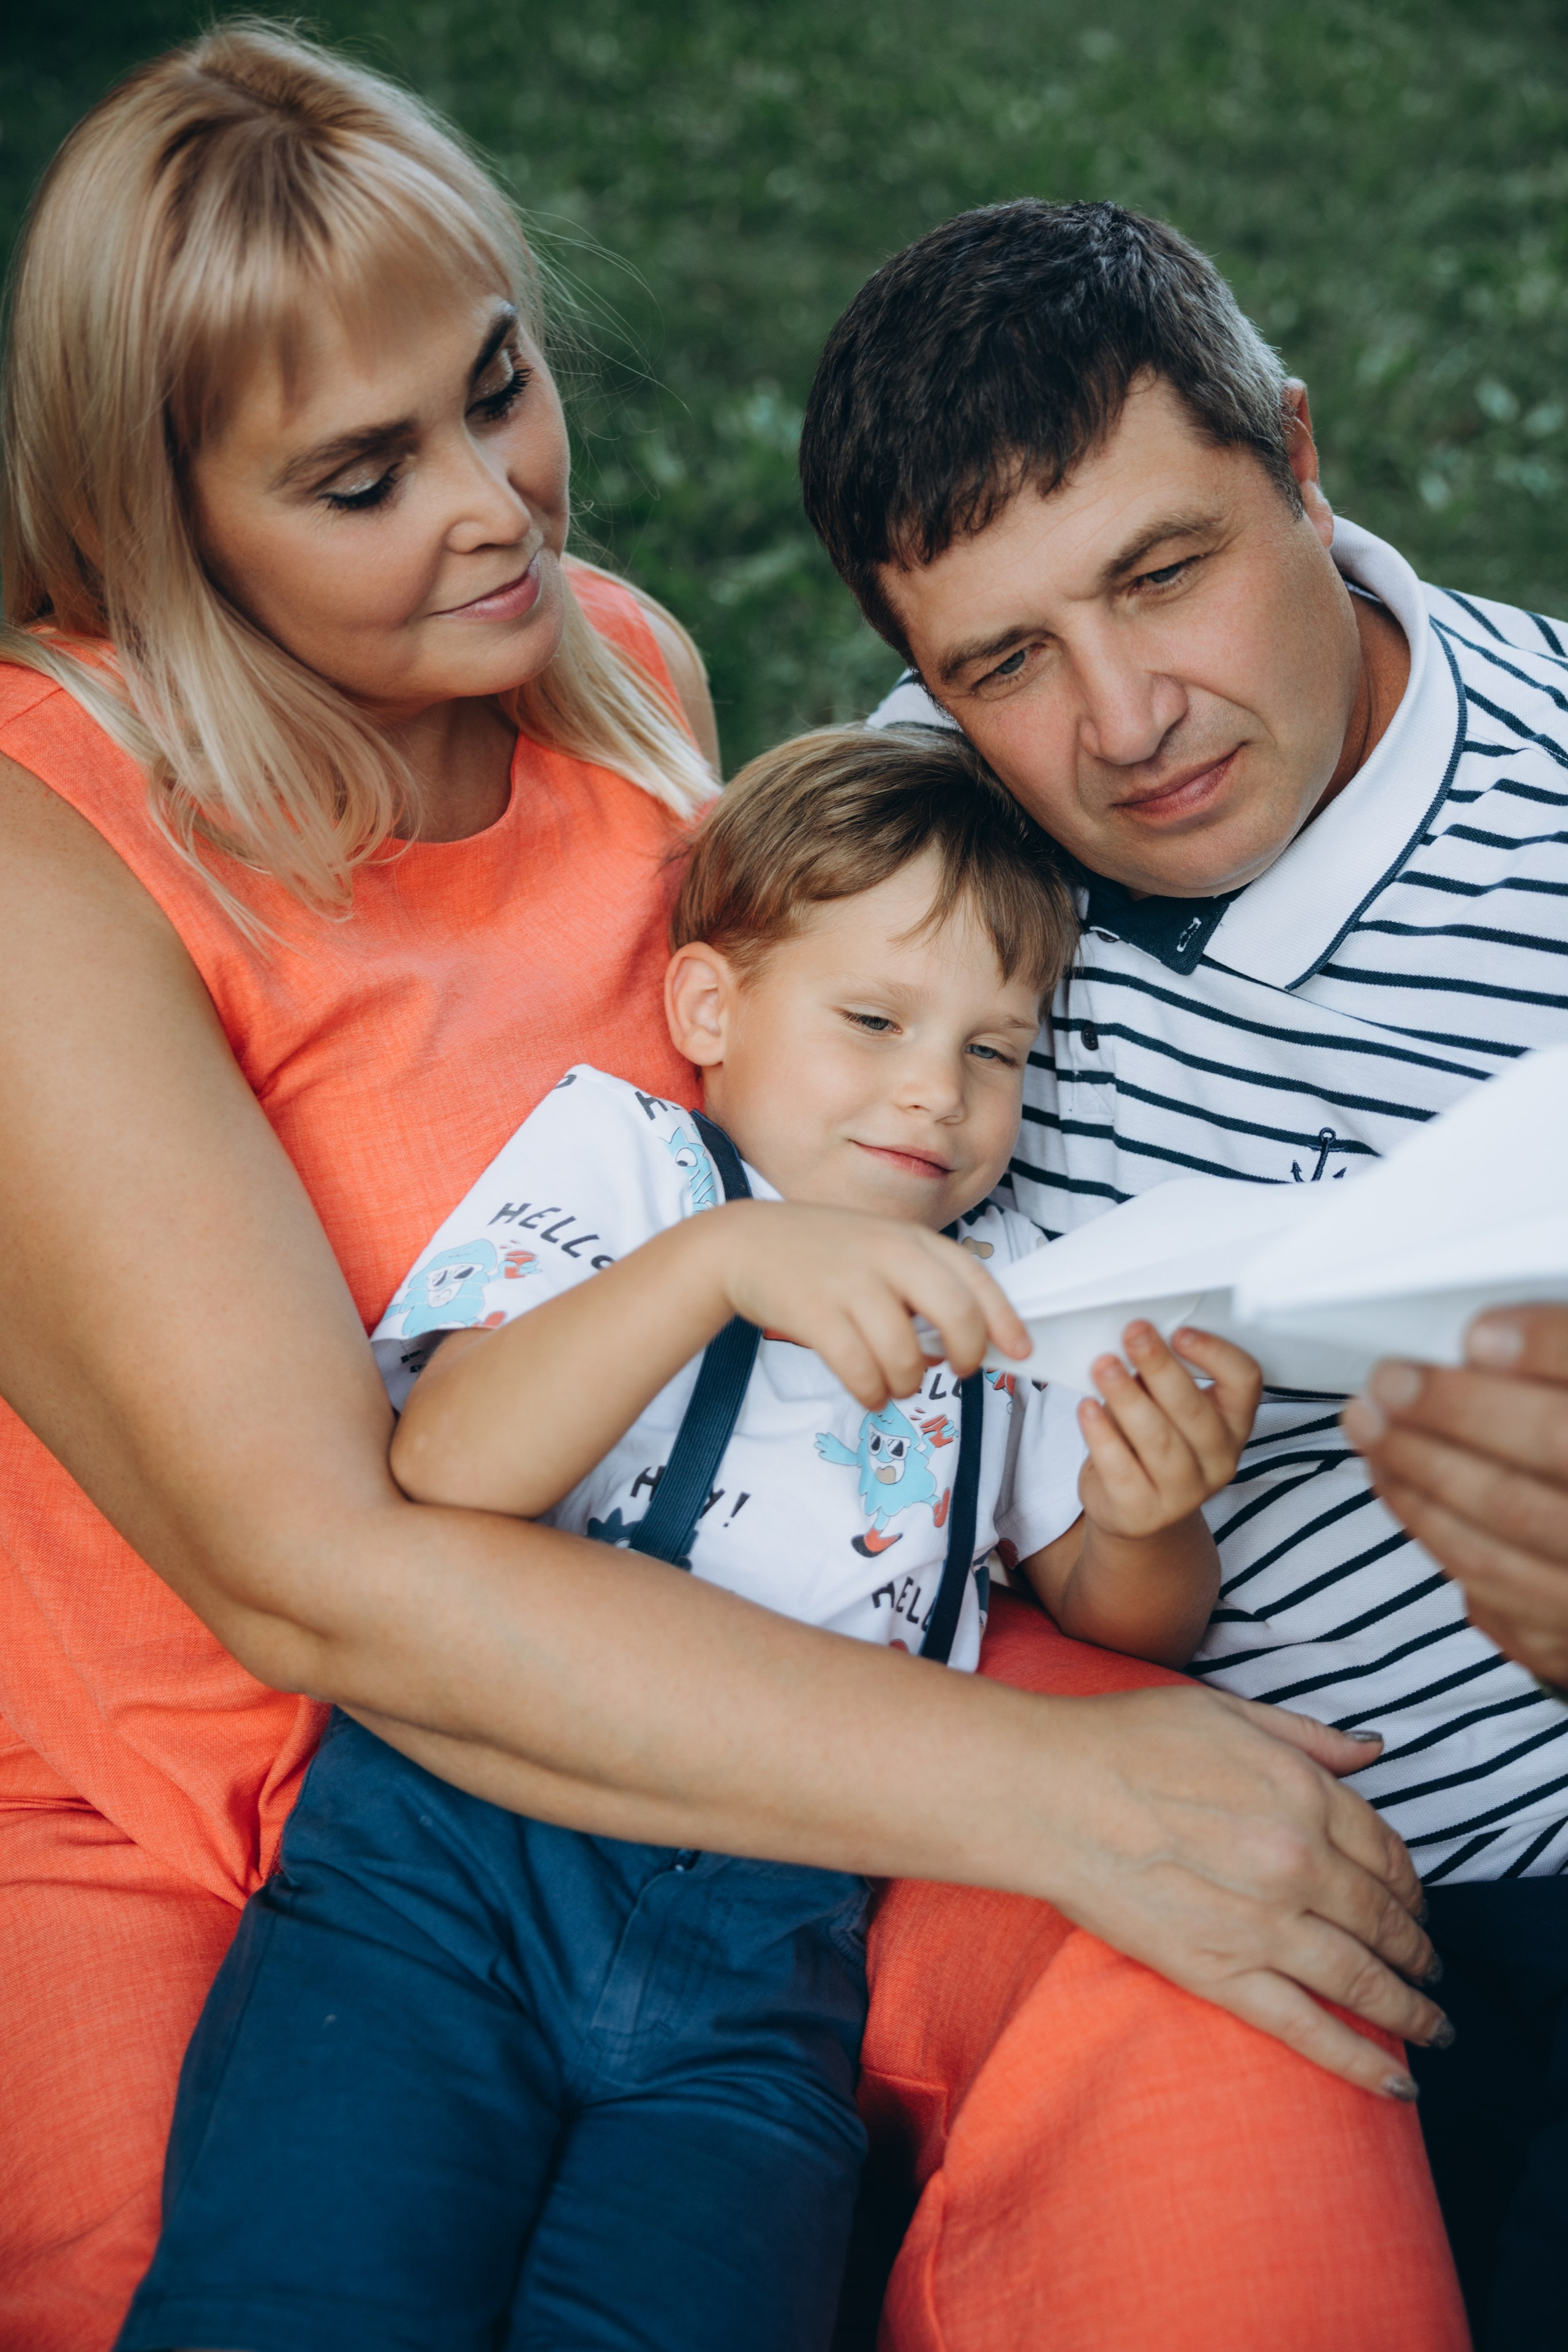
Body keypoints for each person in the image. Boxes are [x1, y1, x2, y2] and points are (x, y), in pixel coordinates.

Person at [0, 29, 1464, 2352]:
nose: (498, 506)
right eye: (365, 475)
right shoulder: (44, 847)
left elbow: (841, 1161)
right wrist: (1063, 1784)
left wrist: (1122, 1623)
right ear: (159, 524)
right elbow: (324, 1570)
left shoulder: (610, 668)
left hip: (740, 1754)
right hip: (252, 1810)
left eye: (497, 387)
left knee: (1243, 2024)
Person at [119, 726, 1270, 2350]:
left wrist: (1155, 1516)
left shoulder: (1008, 1300)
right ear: (712, 1009)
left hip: (765, 1980)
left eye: (996, 1053)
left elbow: (1117, 1615)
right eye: (875, 1022)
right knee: (310, 2301)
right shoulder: (637, 1171)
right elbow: (446, 1469)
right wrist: (722, 1266)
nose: (936, 1093)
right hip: (440, 1891)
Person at [800, 193, 1568, 2347]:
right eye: (1004, 660)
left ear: (1302, 465)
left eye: (1167, 574)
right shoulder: (920, 833)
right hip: (1132, 1875)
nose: (1127, 723)